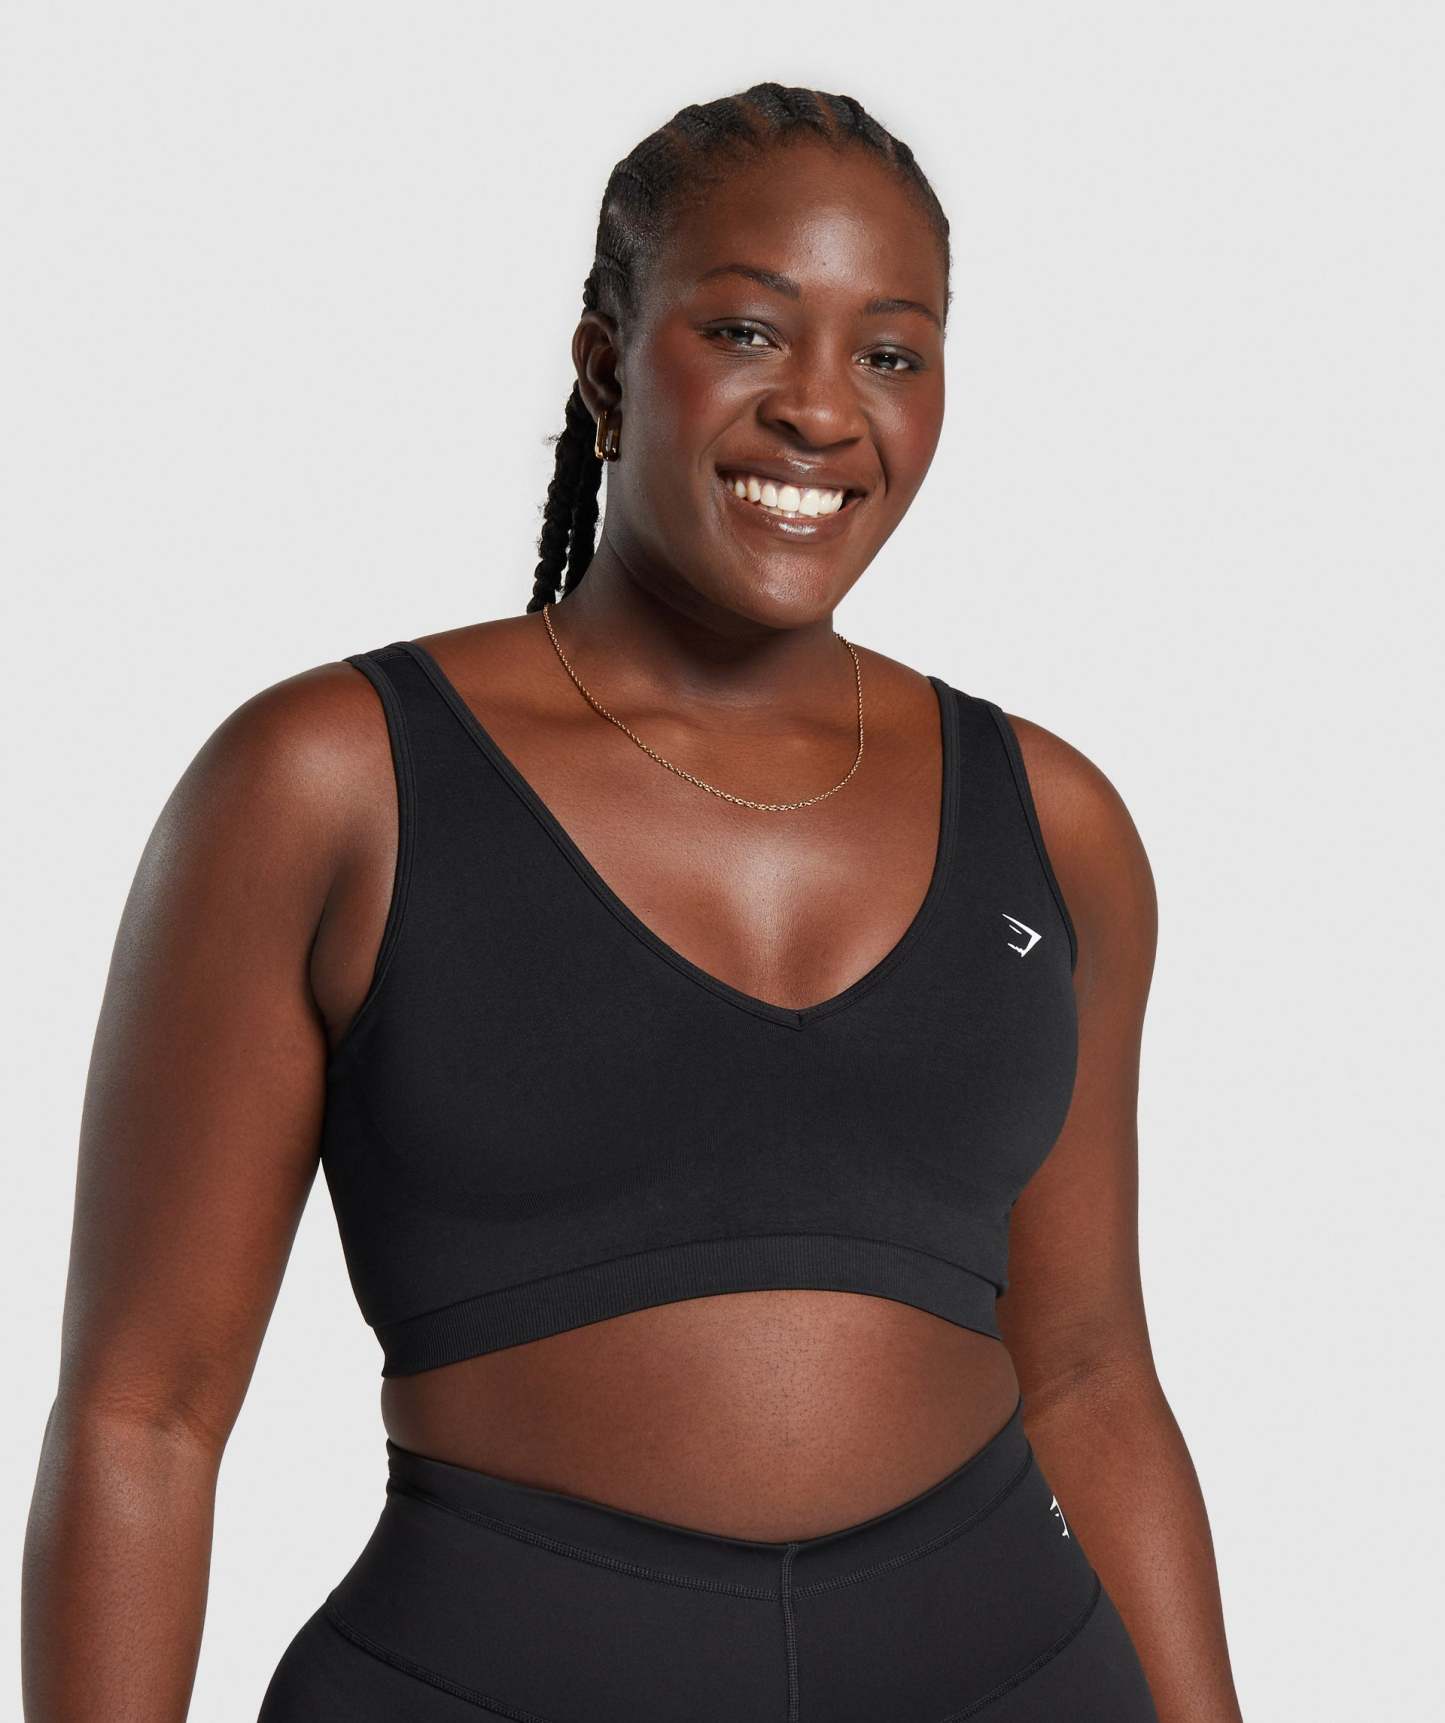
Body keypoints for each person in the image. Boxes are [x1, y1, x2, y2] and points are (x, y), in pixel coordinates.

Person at [22, 84, 1243, 1722]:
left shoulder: (1055, 820)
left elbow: (1091, 1377)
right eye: (746, 331)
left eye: (891, 353)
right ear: (605, 368)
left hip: (1014, 1675)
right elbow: (146, 1413)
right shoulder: (331, 781)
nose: (822, 410)